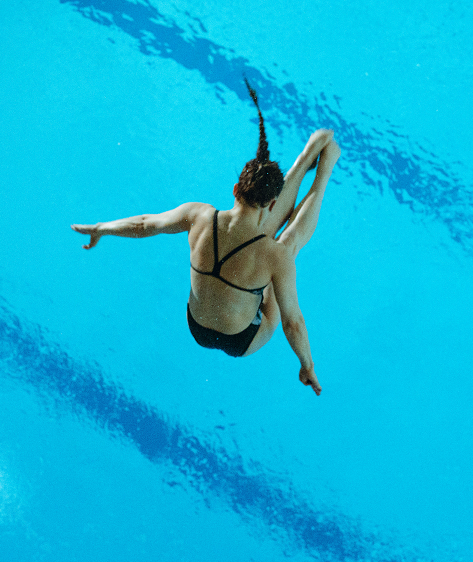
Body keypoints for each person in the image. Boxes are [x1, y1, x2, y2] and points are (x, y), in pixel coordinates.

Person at [72, 80, 340, 396]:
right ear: (271, 204)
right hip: (243, 337)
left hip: (196, 327)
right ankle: (321, 170)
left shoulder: (199, 216)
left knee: (259, 246)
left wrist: (101, 227)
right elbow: (292, 323)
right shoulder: (272, 255)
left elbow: (145, 224)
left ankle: (308, 159)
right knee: (283, 248)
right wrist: (307, 365)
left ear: (235, 189)